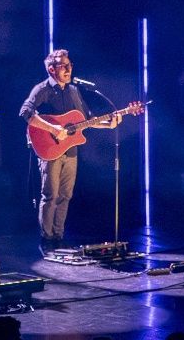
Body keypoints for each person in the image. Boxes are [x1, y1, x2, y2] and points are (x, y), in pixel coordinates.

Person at [20, 49, 118, 251]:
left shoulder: (74, 90)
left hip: (70, 151)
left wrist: (109, 123)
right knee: (50, 195)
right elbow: (26, 112)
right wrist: (53, 128)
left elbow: (86, 120)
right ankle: (47, 239)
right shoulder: (42, 90)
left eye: (69, 65)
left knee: (66, 195)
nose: (68, 69)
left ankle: (58, 235)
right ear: (51, 69)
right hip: (49, 150)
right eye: (63, 66)